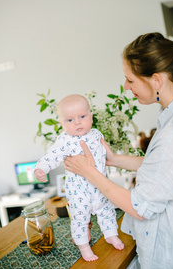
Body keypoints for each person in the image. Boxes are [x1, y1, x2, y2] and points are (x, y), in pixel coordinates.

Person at [64, 32, 173, 268]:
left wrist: (90, 173)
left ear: (156, 80)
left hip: (170, 256)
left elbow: (140, 207)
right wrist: (114, 159)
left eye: (130, 80)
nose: (125, 87)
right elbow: (164, 169)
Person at [34, 94, 124, 262]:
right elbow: (52, 155)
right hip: (79, 191)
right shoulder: (64, 140)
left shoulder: (97, 134)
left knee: (107, 211)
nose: (77, 122)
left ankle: (111, 234)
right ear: (61, 123)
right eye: (69, 120)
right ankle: (84, 246)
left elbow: (105, 154)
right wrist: (41, 168)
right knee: (80, 219)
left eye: (82, 117)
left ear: (91, 116)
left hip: (100, 186)